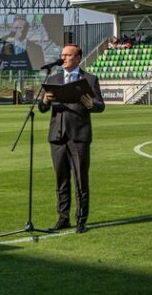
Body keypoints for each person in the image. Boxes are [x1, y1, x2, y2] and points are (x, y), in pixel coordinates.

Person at [38, 44, 105, 234]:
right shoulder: (53, 78)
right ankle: (63, 218)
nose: (64, 58)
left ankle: (81, 220)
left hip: (79, 136)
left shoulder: (89, 79)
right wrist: (44, 101)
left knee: (81, 180)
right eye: (62, 55)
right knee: (61, 180)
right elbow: (42, 110)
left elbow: (101, 105)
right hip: (57, 136)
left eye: (68, 55)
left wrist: (92, 104)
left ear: (78, 58)